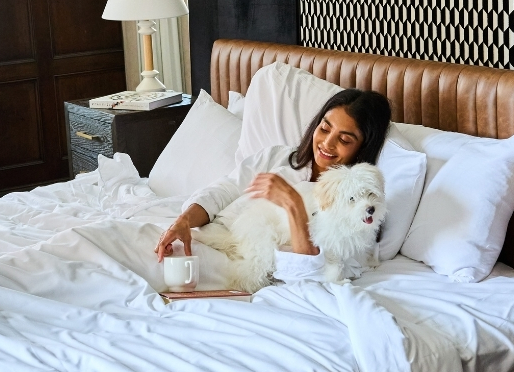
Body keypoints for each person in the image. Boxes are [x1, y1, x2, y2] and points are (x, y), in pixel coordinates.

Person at [154, 89, 392, 282]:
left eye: (344, 139)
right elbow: (224, 190)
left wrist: (293, 204)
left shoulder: (354, 211)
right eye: (325, 128)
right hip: (207, 235)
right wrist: (183, 222)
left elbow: (311, 269)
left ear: (363, 147)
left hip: (242, 263)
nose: (327, 143)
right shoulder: (277, 157)